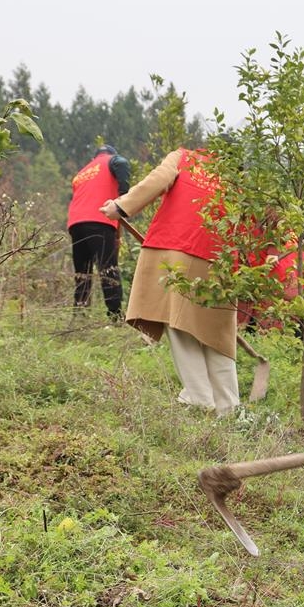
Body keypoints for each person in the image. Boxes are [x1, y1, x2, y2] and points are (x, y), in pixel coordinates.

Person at [100, 148, 241, 415]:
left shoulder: (185, 157)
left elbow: (158, 179)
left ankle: (199, 398)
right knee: (217, 337)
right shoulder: (239, 181)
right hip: (221, 262)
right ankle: (229, 409)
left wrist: (120, 206)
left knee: (180, 325)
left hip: (175, 249)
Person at [67, 144, 132, 320]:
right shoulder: (112, 160)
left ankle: (79, 315)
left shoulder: (81, 173)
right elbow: (123, 163)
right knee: (108, 269)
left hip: (75, 223)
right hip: (99, 219)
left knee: (83, 272)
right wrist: (124, 196)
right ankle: (115, 316)